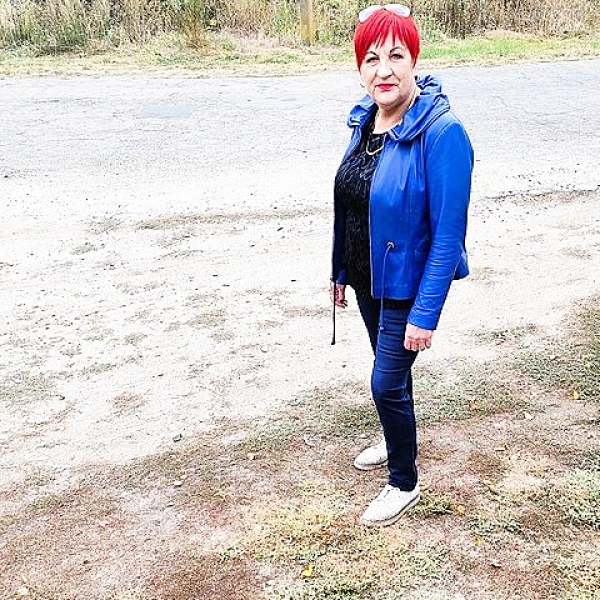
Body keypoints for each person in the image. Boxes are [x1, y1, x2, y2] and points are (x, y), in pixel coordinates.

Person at [330, 4, 474, 527]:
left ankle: (404, 481)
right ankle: (396, 439)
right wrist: (338, 270)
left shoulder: (443, 133)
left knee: (385, 383)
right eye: (371, 59)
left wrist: (425, 314)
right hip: (367, 276)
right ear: (359, 68)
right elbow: (352, 200)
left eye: (396, 56)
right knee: (389, 373)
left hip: (406, 285)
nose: (383, 70)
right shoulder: (365, 121)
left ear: (414, 60)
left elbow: (448, 237)